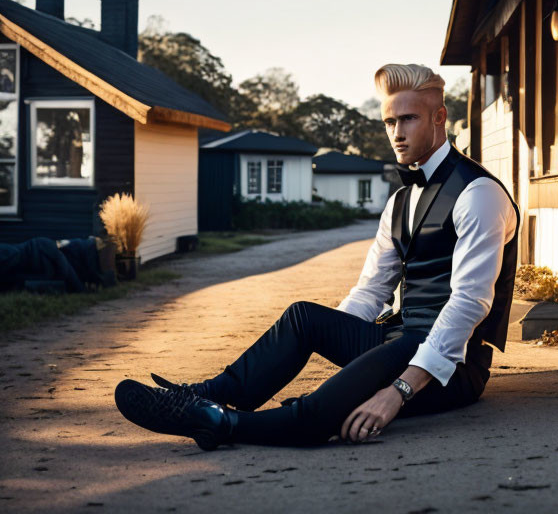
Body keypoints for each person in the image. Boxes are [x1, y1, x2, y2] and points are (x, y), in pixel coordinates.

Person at [114, 63, 519, 449]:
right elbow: (369, 291)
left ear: (438, 117)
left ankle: (221, 422)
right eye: (389, 122)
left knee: (323, 411)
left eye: (408, 119)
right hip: (399, 338)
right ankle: (205, 395)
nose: (396, 133)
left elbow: (469, 304)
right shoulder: (399, 200)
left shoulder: (478, 194)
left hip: (453, 367)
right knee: (304, 317)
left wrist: (397, 391)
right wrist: (340, 346)